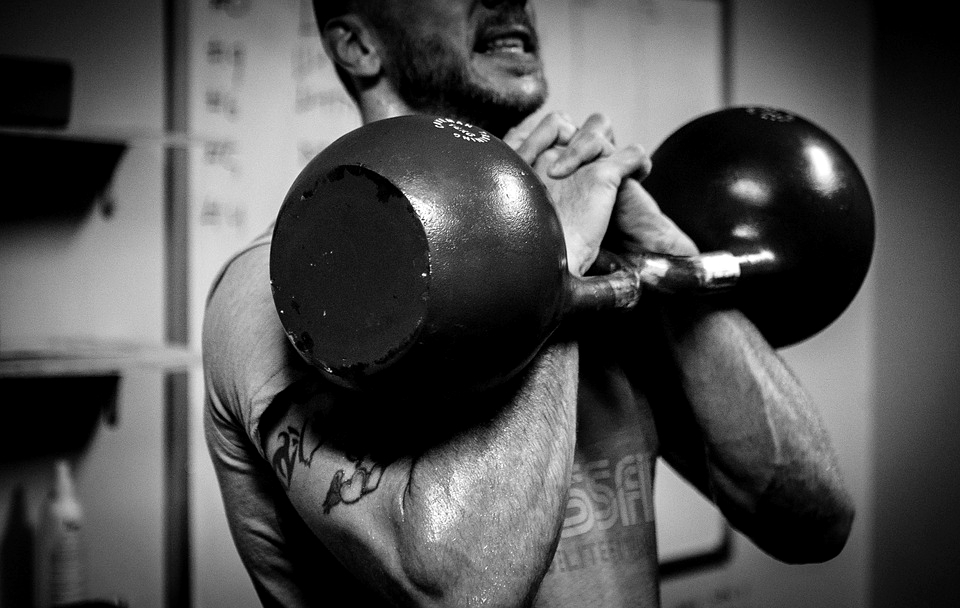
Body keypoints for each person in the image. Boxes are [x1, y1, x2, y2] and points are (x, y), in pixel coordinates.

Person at [202, 0, 855, 606]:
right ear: (357, 44)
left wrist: (669, 260)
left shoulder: (604, 255)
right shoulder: (287, 295)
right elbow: (459, 590)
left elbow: (813, 522)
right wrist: (551, 264)